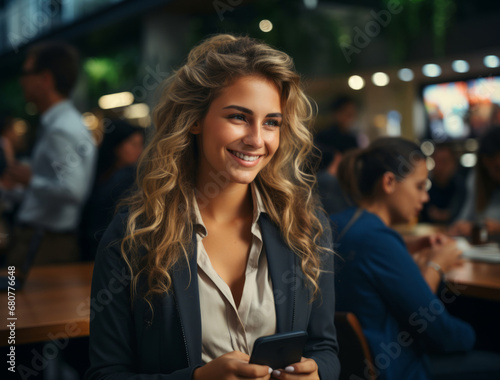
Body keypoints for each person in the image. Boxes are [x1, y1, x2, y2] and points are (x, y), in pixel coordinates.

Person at [87, 34, 340, 380]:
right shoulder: (134, 236)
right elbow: (106, 374)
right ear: (194, 119)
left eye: (271, 122)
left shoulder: (305, 226)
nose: (256, 139)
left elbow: (324, 348)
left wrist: (317, 373)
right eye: (238, 117)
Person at [331, 137, 500, 380]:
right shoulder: (378, 240)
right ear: (389, 182)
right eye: (420, 186)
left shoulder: (338, 223)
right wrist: (436, 265)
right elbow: (441, 333)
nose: (425, 198)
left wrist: (402, 248)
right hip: (396, 369)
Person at [5, 41, 97, 275]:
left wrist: (30, 180)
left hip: (45, 243)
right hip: (44, 240)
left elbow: (72, 191)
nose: (21, 80)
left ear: (45, 79)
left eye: (26, 73)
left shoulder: (61, 128)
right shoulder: (61, 123)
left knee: (18, 310)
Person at [80, 119, 144, 260]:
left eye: (140, 145)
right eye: (133, 144)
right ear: (117, 145)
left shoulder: (130, 177)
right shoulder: (117, 176)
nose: (139, 151)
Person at [450, 126, 500, 236]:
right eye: (487, 168)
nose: (492, 173)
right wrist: (460, 226)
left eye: (497, 168)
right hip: (484, 249)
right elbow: (465, 218)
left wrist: (497, 228)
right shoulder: (476, 178)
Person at [421, 144, 466, 224]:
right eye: (436, 162)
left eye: (444, 162)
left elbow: (458, 214)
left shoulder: (460, 185)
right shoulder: (426, 184)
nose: (439, 167)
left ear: (454, 164)